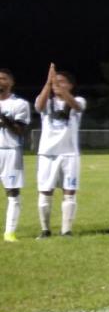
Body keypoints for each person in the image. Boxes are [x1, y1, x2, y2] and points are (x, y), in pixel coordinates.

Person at [35, 63, 86, 237]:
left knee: (69, 192)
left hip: (69, 154)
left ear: (71, 85)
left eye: (62, 82)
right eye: (55, 81)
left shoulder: (78, 100)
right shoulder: (46, 101)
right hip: (47, 153)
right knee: (45, 192)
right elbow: (38, 107)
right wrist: (48, 84)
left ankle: (66, 230)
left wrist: (57, 86)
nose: (57, 84)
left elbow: (76, 107)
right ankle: (45, 229)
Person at [0, 69, 31, 242]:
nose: (0, 81)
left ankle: (9, 232)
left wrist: (3, 117)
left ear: (11, 82)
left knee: (12, 192)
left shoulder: (19, 104)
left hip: (10, 151)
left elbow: (19, 130)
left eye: (3, 78)